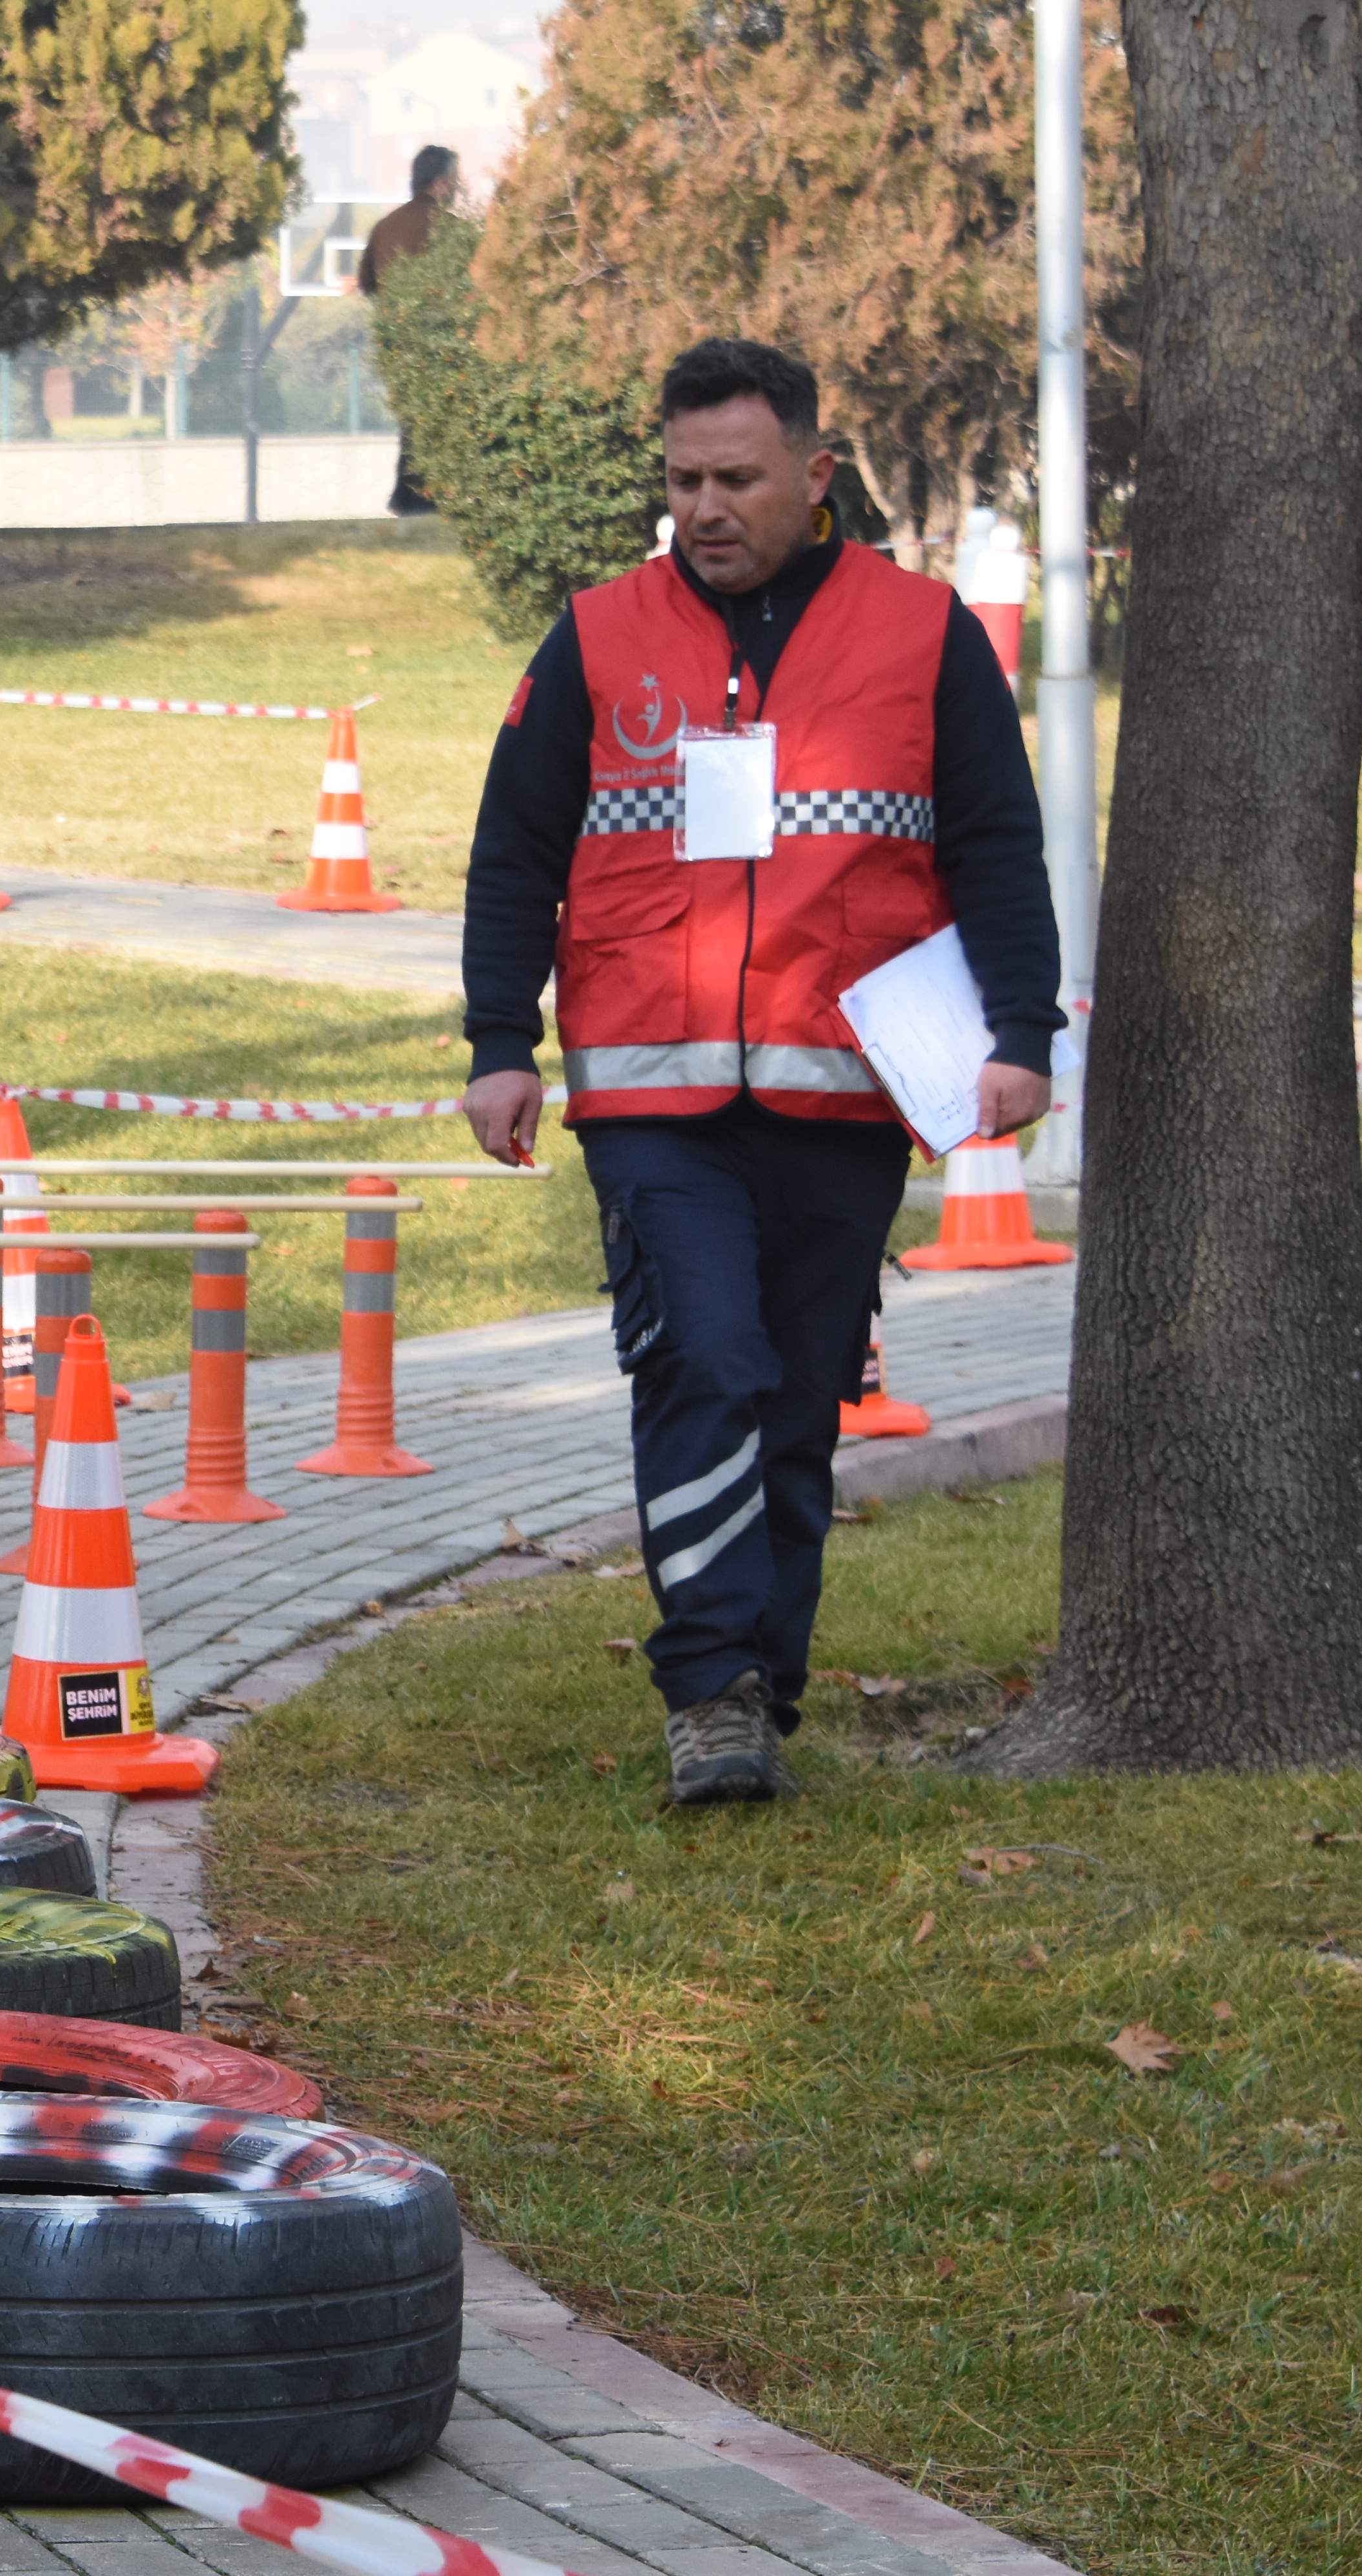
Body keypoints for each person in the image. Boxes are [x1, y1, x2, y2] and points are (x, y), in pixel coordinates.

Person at [459, 337, 1059, 1804]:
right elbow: (514, 849)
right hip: (652, 1103)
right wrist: (497, 1041)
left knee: (794, 1395)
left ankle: (761, 1682)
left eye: (735, 477)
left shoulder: (923, 636)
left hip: (844, 1096)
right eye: (682, 480)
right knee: (705, 1362)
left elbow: (995, 841)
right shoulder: (598, 637)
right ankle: (710, 1686)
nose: (705, 507)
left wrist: (1024, 1034)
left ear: (814, 473)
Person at [357, 147, 456, 516]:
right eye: (456, 180)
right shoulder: (450, 229)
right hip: (439, 341)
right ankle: (419, 495)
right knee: (436, 421)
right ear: (442, 183)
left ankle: (409, 493)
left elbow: (367, 283)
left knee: (412, 420)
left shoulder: (385, 227)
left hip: (396, 342)